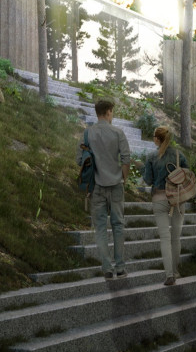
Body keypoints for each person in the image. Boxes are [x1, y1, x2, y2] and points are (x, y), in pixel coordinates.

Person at [76, 98, 130, 279]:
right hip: (116, 185)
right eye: (112, 112)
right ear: (108, 112)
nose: (112, 115)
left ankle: (107, 268)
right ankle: (120, 267)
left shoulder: (87, 133)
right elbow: (126, 160)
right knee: (118, 226)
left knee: (100, 227)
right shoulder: (118, 133)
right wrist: (123, 179)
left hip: (96, 187)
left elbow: (79, 160)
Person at [141, 124, 189, 286]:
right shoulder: (179, 155)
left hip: (159, 199)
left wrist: (142, 170)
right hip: (178, 200)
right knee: (176, 238)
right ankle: (175, 271)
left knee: (165, 238)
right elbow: (187, 175)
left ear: (157, 139)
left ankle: (169, 275)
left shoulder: (151, 157)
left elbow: (148, 180)